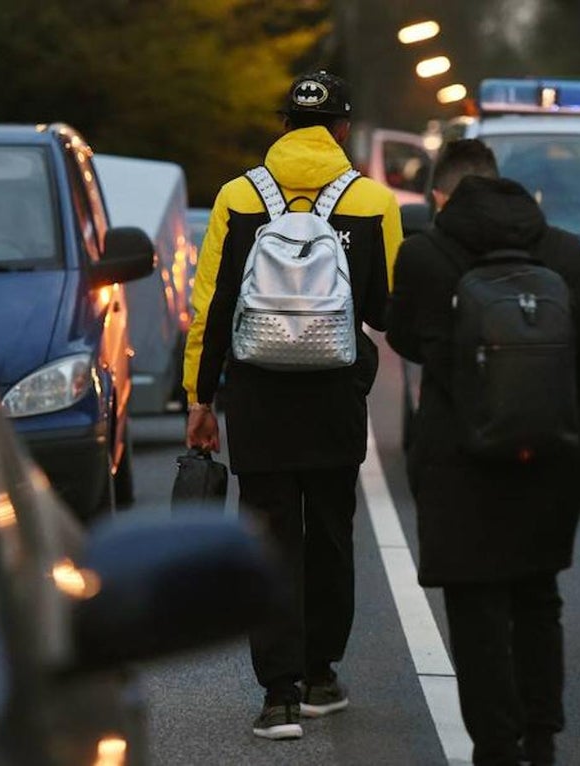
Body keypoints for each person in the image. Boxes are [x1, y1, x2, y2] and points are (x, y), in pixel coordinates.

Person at [385, 139, 580, 765]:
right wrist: (572, 432)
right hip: (549, 460)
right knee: (538, 599)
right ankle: (542, 738)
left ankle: (496, 747)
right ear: (503, 183)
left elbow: (404, 336)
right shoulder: (568, 254)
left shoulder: (426, 254)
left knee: (474, 606)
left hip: (459, 463)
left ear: (442, 195)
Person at [182, 69, 402, 741]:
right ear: (342, 130)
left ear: (283, 127)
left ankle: (276, 695)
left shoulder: (236, 197)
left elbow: (212, 305)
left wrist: (201, 396)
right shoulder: (372, 201)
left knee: (268, 536)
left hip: (258, 396)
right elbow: (387, 310)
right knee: (330, 533)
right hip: (332, 397)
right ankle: (321, 677)